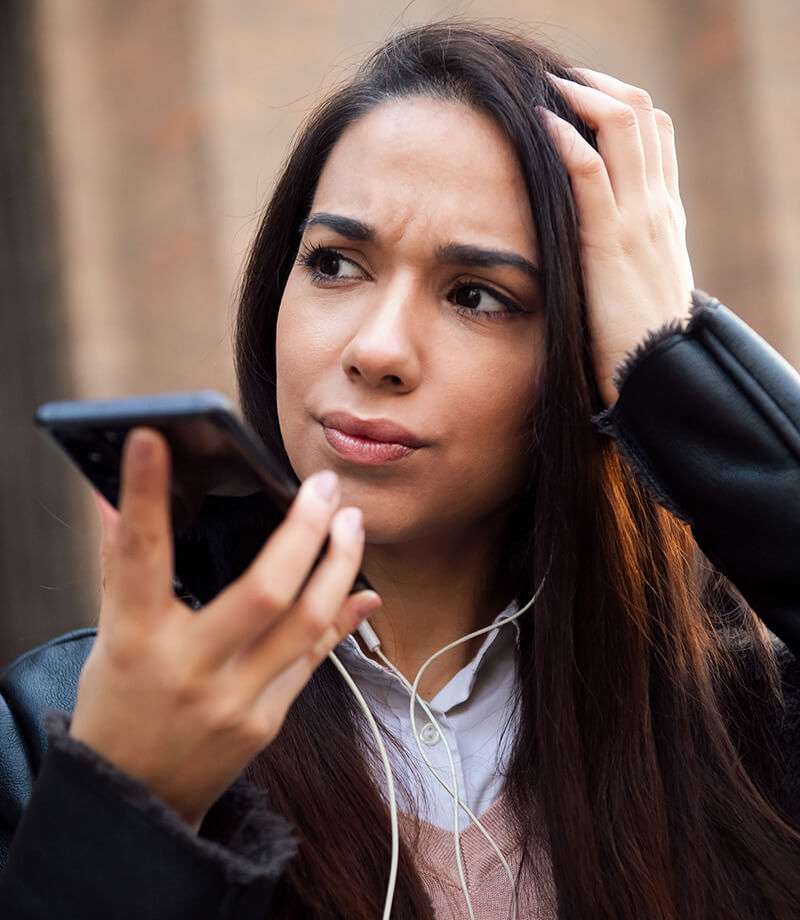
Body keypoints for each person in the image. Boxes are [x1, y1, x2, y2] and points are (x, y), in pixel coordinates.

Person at [2, 19, 800, 920]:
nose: (377, 349)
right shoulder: (55, 730)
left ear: (583, 354)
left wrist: (674, 360)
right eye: (335, 264)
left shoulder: (733, 715)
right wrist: (126, 810)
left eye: (477, 296)